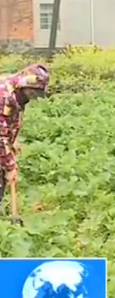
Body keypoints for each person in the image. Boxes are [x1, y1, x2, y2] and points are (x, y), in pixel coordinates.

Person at [0, 64, 50, 206]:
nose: (34, 97)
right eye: (33, 92)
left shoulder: (18, 94)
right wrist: (10, 166)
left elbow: (11, 119)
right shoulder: (4, 95)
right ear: (25, 84)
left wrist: (13, 140)